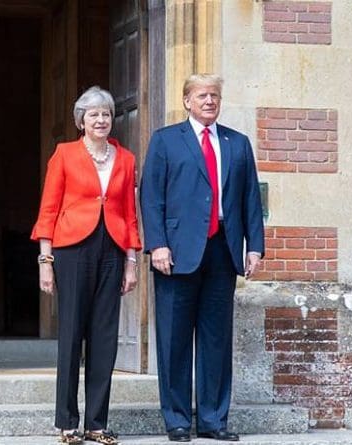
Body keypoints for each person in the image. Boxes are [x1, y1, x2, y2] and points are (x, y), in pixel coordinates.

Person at [139, 74, 265, 442]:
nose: (209, 101)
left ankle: (213, 421)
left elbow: (250, 201)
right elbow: (152, 197)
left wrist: (254, 246)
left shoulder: (237, 144)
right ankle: (177, 420)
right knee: (174, 340)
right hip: (176, 254)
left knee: (215, 341)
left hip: (223, 251)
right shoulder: (165, 141)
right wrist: (157, 244)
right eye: (202, 96)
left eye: (214, 96)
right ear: (186, 101)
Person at [31, 86, 142, 445]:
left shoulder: (125, 158)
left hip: (111, 249)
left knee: (105, 337)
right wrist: (45, 261)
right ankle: (66, 422)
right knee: (72, 334)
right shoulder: (64, 154)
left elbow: (129, 214)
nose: (101, 119)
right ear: (81, 120)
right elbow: (48, 208)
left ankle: (97, 422)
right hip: (71, 251)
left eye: (106, 114)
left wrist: (131, 261)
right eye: (93, 114)